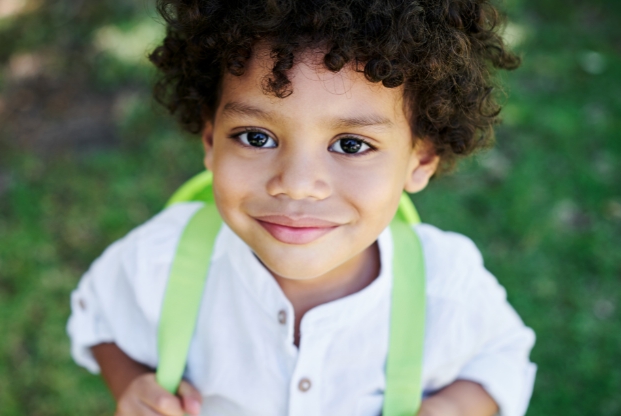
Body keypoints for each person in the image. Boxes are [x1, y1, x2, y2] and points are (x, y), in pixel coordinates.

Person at [66, 0, 537, 415]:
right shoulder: (161, 260)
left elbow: (500, 355)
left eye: (351, 144)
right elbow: (101, 317)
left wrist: (452, 408)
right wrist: (132, 388)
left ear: (421, 159)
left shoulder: (447, 286)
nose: (296, 185)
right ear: (211, 141)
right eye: (256, 137)